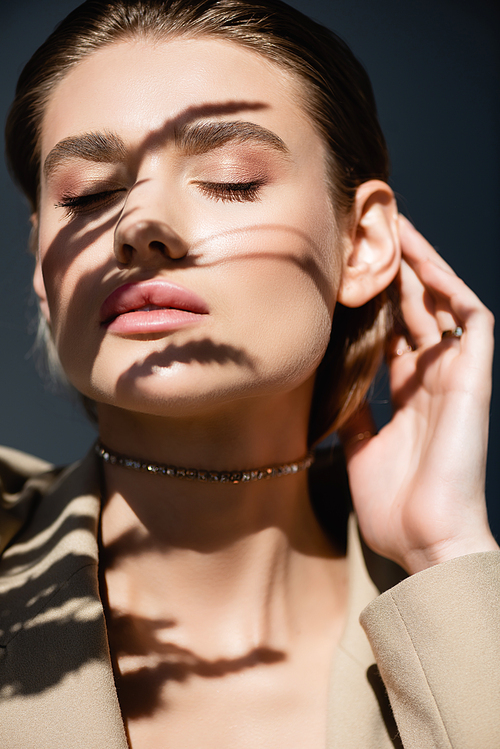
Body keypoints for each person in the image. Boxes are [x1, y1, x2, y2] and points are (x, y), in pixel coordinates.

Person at [0, 1, 498, 747]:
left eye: (230, 179)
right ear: (44, 262)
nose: (138, 224)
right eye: (87, 194)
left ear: (362, 243)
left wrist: (447, 552)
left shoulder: (462, 612)